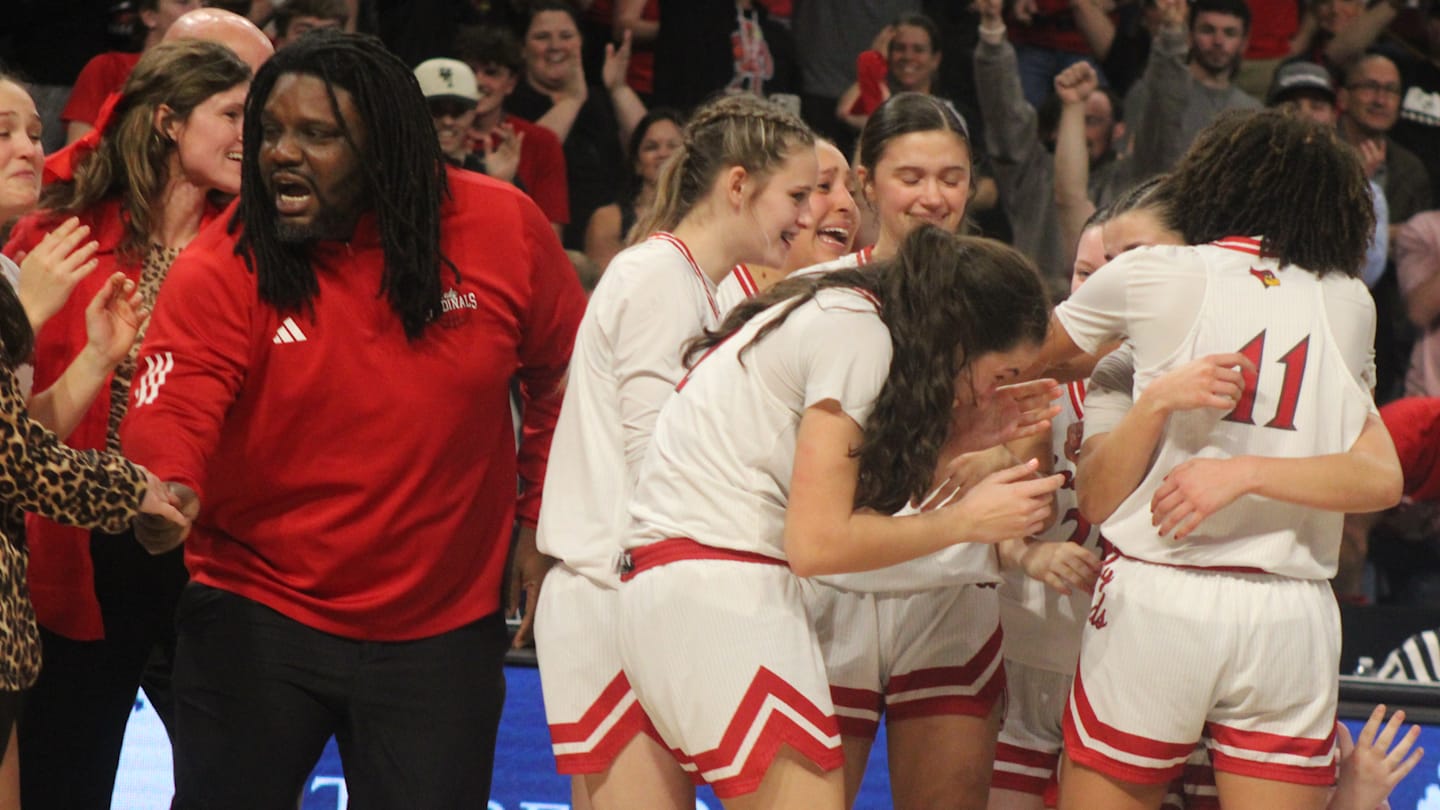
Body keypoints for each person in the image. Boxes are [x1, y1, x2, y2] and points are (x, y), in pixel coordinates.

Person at [118, 30, 585, 808]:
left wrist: (539, 520)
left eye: (317, 134)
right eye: (270, 131)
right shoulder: (226, 259)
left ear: (387, 145)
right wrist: (165, 489)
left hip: (442, 627)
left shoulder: (504, 228)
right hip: (258, 610)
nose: (279, 155)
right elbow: (180, 399)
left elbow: (564, 376)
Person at [617, 226, 1064, 807]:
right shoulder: (856, 332)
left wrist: (953, 443)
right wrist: (969, 522)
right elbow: (820, 546)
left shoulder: (848, 315)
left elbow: (840, 501)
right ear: (961, 338)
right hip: (715, 586)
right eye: (1000, 375)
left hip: (684, 581)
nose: (993, 393)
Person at [1039, 109, 1402, 810]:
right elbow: (1382, 476)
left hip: (1162, 588)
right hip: (1290, 608)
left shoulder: (1156, 277)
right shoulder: (1349, 300)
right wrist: (1251, 472)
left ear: (1208, 187)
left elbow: (1037, 359)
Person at [535, 93, 818, 810]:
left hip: (645, 591)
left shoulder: (704, 288)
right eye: (796, 194)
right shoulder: (656, 276)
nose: (809, 215)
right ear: (736, 185)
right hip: (615, 589)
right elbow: (657, 464)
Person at [3, 41, 252, 810]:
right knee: (59, 779)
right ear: (169, 123)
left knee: (237, 784)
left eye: (31, 135)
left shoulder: (261, 252)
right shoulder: (56, 237)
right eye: (236, 115)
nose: (259, 135)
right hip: (81, 551)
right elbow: (18, 436)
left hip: (213, 548)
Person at [507, 1, 646, 249]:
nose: (555, 46)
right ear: (522, 49)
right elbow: (527, 158)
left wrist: (620, 89)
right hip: (546, 239)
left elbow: (656, 148)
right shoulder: (511, 101)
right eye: (542, 37)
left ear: (581, 42)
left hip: (609, 240)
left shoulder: (600, 98)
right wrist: (572, 100)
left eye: (566, 36)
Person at [455, 24, 571, 238]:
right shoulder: (441, 138)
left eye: (491, 73)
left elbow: (550, 235)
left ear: (511, 83)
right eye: (470, 71)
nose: (479, 82)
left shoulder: (540, 142)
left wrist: (506, 184)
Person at [583, 107, 682, 271]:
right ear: (637, 164)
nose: (663, 153)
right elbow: (607, 284)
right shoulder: (608, 219)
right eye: (651, 147)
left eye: (673, 146)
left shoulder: (704, 215)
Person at [413, 57, 519, 183]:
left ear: (474, 113)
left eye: (459, 111)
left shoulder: (490, 172)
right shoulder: (393, 172)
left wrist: (501, 183)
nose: (448, 121)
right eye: (436, 110)